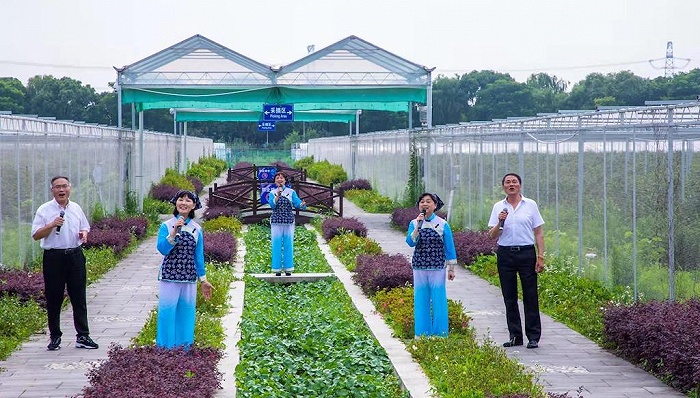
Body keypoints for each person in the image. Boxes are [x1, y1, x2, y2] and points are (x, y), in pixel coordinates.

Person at [31, 176, 98, 351]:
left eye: (64, 186)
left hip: (75, 255)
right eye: (57, 187)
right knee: (54, 297)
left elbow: (85, 227)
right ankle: (55, 337)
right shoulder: (44, 210)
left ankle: (83, 335)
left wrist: (83, 234)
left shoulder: (75, 208)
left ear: (70, 188)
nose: (61, 190)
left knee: (79, 296)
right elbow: (36, 234)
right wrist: (52, 225)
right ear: (52, 190)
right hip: (54, 258)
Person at [488, 173, 545, 349]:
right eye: (507, 182)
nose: (511, 185)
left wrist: (540, 255)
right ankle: (515, 336)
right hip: (505, 254)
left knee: (530, 295)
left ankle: (533, 336)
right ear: (503, 186)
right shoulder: (499, 206)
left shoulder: (530, 205)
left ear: (520, 185)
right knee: (509, 297)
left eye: (514, 182)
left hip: (526, 253)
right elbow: (492, 235)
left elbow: (538, 232)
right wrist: (499, 222)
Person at [156, 189, 213, 348]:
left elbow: (198, 256)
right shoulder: (166, 226)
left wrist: (203, 280)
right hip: (169, 277)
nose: (184, 203)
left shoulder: (197, 229)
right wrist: (174, 232)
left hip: (189, 278)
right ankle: (164, 350)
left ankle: (184, 350)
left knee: (186, 315)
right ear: (176, 202)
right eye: (181, 199)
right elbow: (162, 249)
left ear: (194, 205)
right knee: (167, 314)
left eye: (188, 200)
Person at [405, 192, 457, 337]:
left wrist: (451, 269)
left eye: (428, 201)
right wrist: (417, 227)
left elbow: (449, 247)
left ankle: (440, 334)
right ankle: (422, 334)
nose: (425, 204)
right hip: (419, 266)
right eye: (422, 201)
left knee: (438, 300)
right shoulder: (414, 223)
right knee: (421, 300)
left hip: (437, 267)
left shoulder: (442, 224)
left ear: (435, 205)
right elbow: (410, 242)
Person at [267, 171, 306, 276]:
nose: (279, 179)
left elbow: (297, 203)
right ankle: (277, 269)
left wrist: (302, 204)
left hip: (288, 220)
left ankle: (288, 269)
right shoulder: (272, 193)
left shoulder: (291, 192)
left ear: (285, 180)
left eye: (281, 178)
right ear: (275, 181)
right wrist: (277, 196)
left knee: (288, 244)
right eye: (277, 178)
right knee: (276, 244)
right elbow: (272, 205)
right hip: (276, 221)